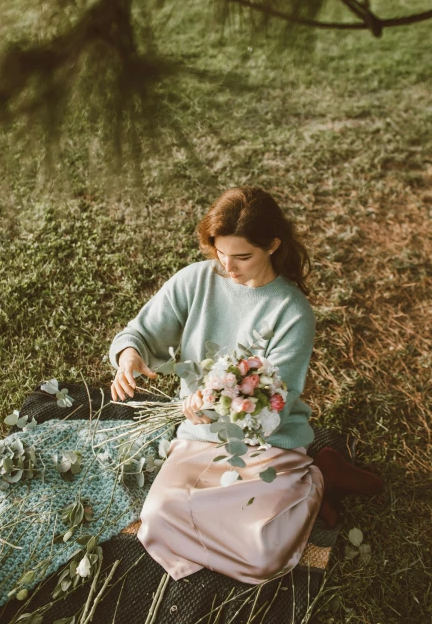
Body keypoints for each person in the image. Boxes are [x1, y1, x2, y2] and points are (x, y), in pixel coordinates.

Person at [109, 185, 383, 584]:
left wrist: (215, 405)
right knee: (156, 518)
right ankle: (257, 513)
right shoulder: (197, 281)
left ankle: (316, 478)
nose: (229, 267)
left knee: (262, 554)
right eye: (220, 253)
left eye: (242, 256)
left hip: (265, 443)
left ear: (272, 245)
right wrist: (129, 355)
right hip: (200, 437)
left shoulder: (292, 313)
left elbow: (274, 405)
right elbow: (140, 332)